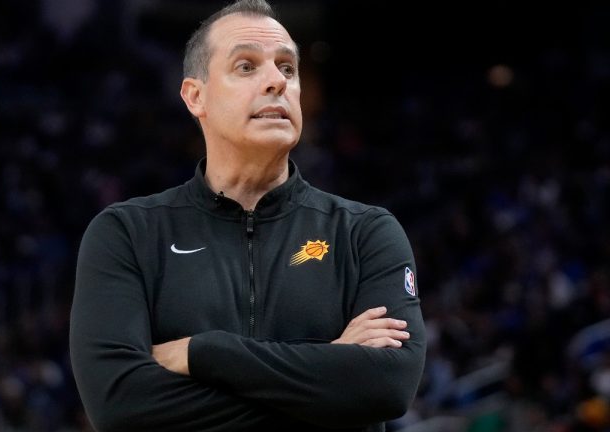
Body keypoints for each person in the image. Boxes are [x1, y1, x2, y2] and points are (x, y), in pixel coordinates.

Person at [70, 0, 426, 430]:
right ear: (195, 96)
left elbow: (387, 386)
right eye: (246, 66)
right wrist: (330, 372)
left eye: (288, 69)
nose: (276, 81)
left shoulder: (365, 232)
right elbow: (120, 406)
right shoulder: (127, 233)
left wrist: (204, 353)